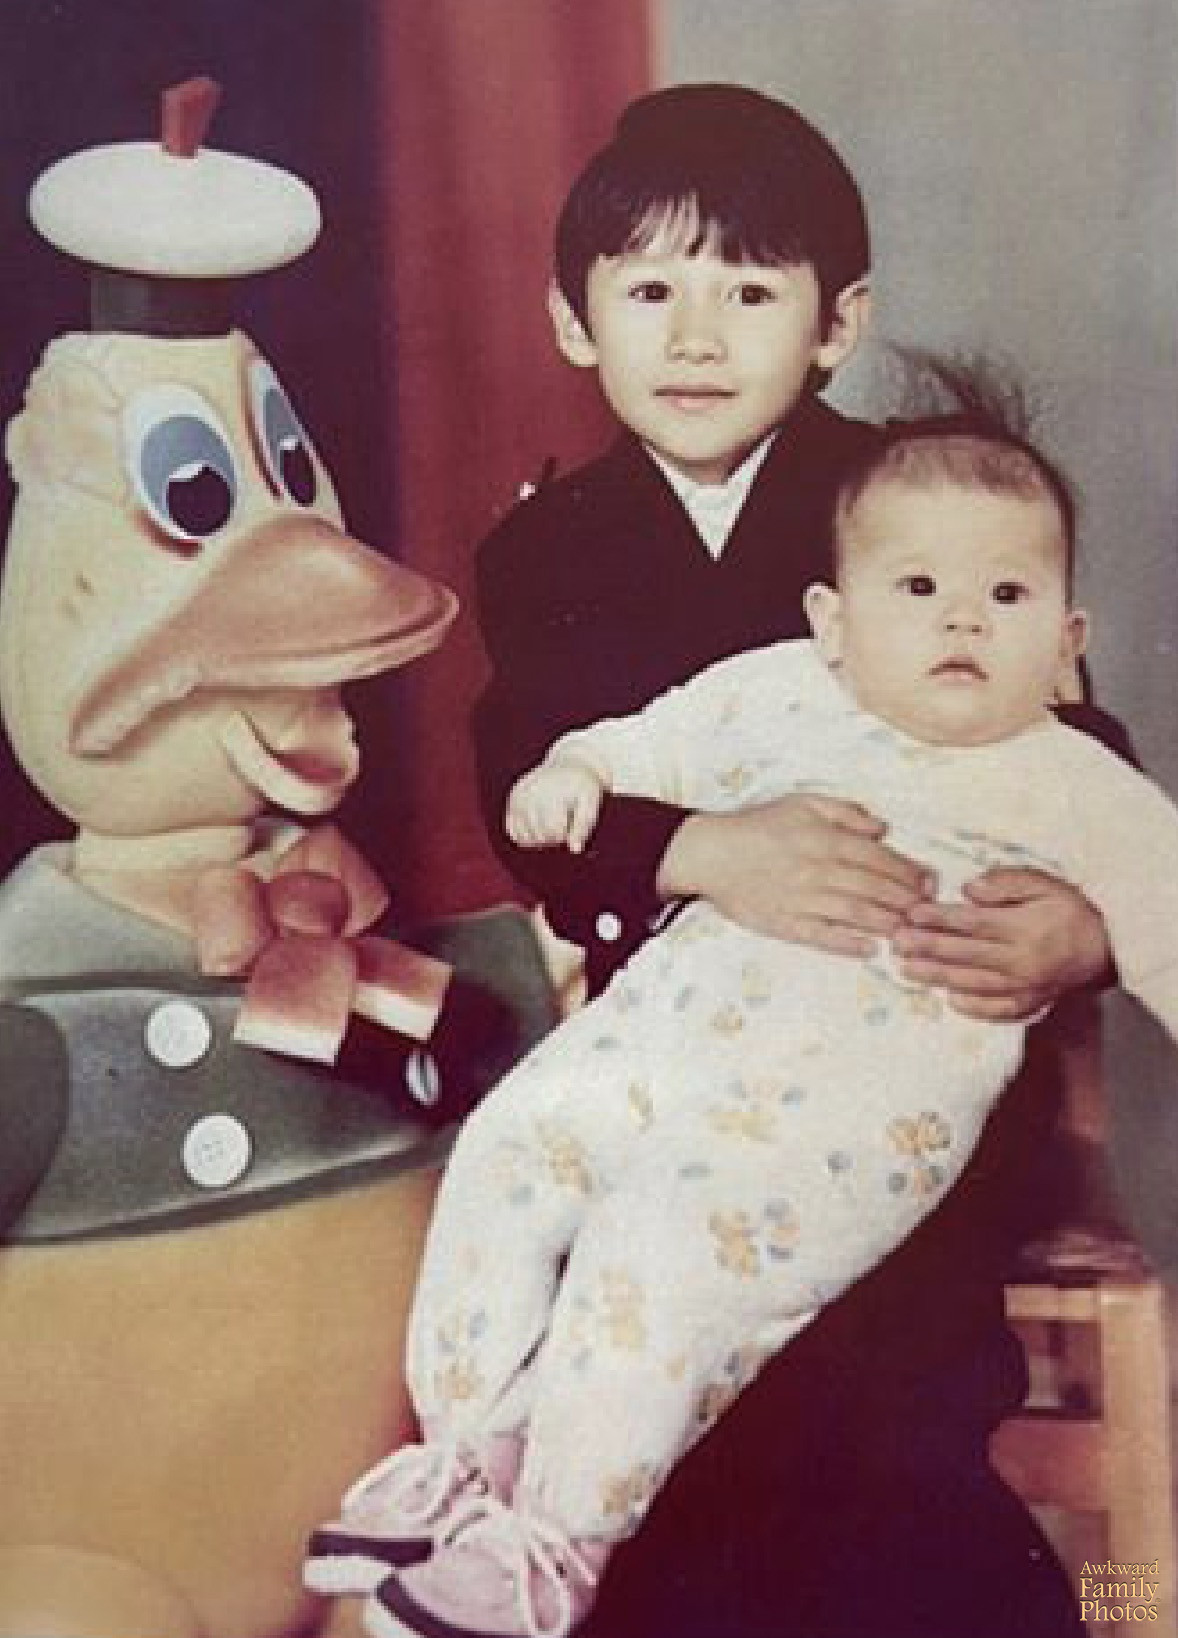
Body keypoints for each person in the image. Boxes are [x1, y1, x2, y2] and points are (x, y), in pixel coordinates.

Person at [309, 87, 1114, 1638]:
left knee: (862, 1383)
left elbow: (1077, 738)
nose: (694, 335)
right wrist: (700, 847)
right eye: (647, 290)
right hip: (681, 1025)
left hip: (897, 1040)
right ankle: (529, 1520)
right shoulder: (551, 545)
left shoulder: (916, 499)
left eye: (749, 292)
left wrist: (1074, 927)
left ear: (835, 324)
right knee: (604, 1254)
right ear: (572, 320)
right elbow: (529, 784)